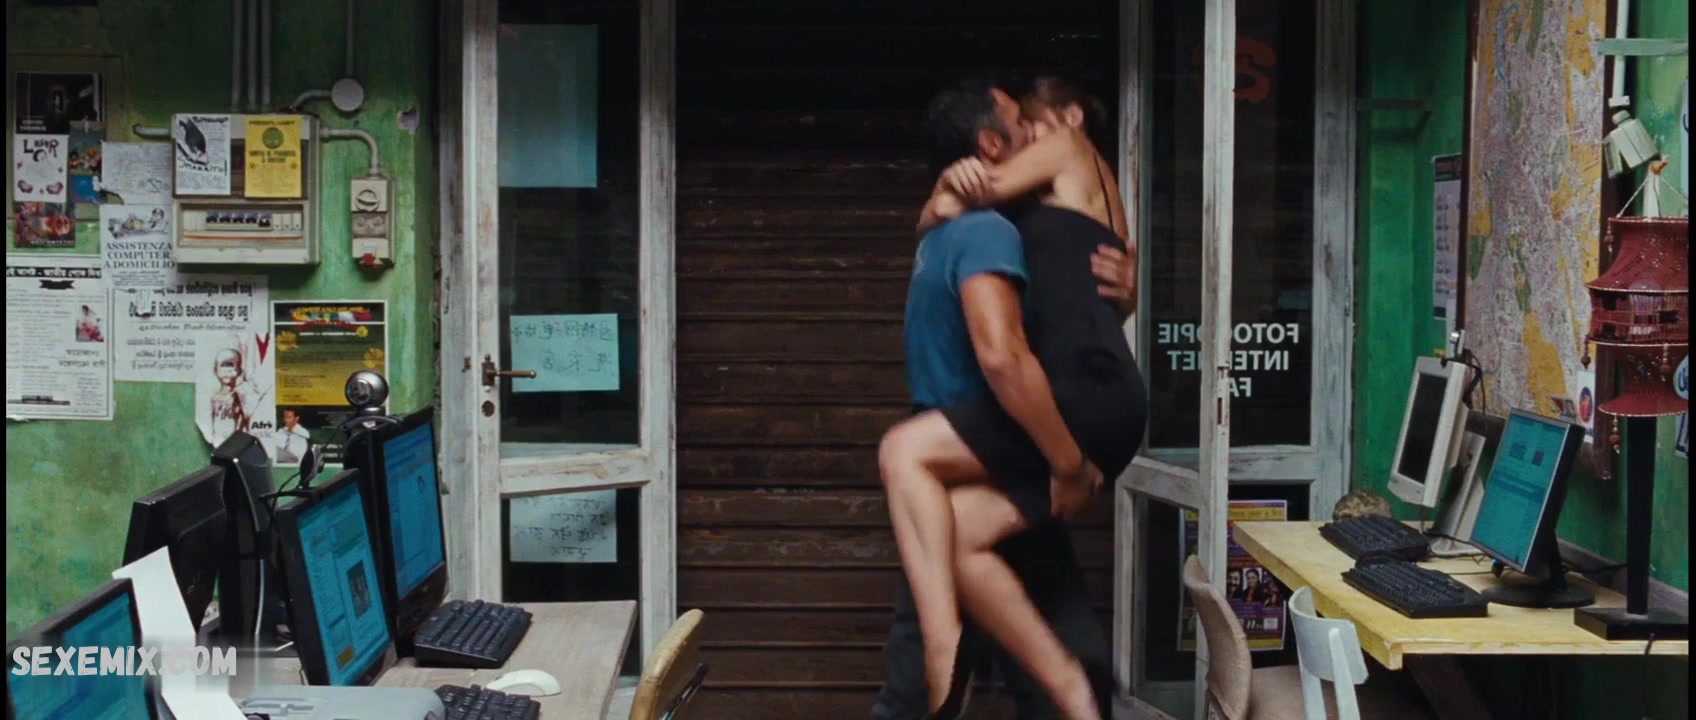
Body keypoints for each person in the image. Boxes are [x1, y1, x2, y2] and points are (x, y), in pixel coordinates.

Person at [880, 75, 1148, 719]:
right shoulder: (1043, 212)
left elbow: (976, 190)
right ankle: (1072, 693)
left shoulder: (1069, 150)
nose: (1028, 132)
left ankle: (949, 653)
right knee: (958, 537)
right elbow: (1086, 297)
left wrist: (945, 193)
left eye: (1033, 119)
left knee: (903, 454)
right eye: (1018, 122)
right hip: (1082, 399)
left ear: (1070, 117)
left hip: (1079, 396)